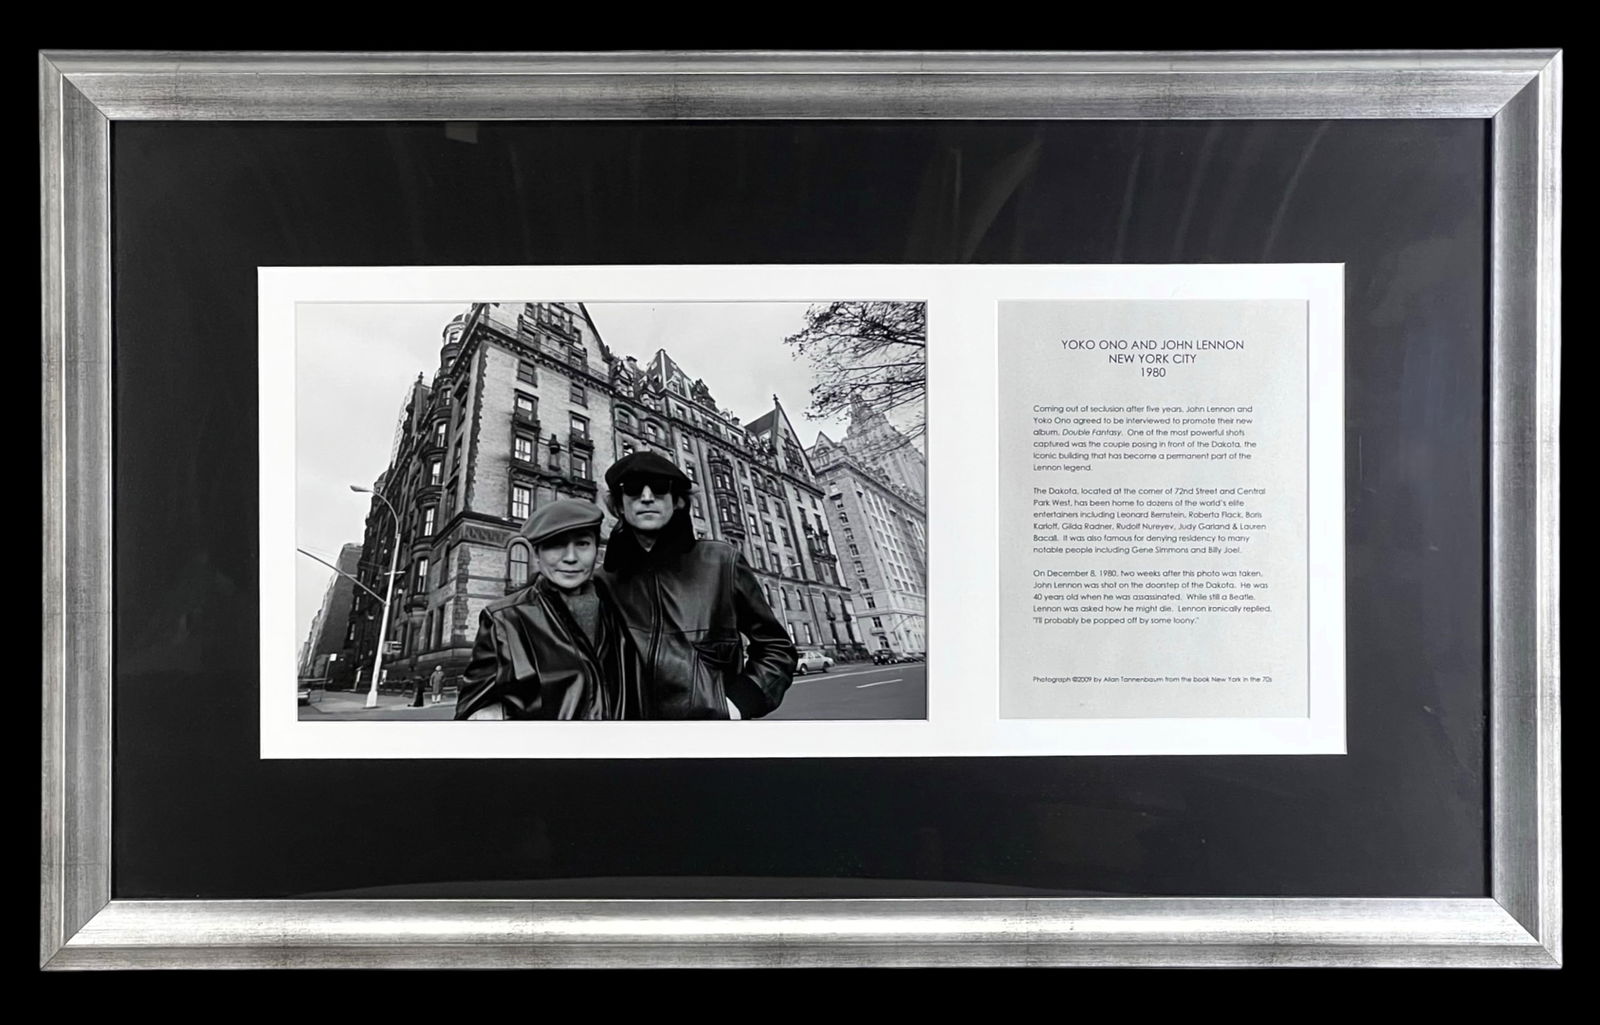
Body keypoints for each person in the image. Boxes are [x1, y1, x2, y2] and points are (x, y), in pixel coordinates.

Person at [597, 451, 797, 719]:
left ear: (678, 500)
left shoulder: (722, 562)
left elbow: (777, 647)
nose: (646, 497)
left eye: (659, 487)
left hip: (712, 733)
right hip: (635, 736)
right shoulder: (605, 580)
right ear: (619, 505)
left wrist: (739, 703)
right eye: (632, 488)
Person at [454, 498, 648, 721]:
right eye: (556, 545)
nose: (571, 558)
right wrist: (497, 713)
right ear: (536, 554)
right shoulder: (503, 620)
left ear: (596, 549)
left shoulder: (624, 608)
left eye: (583, 544)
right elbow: (472, 714)